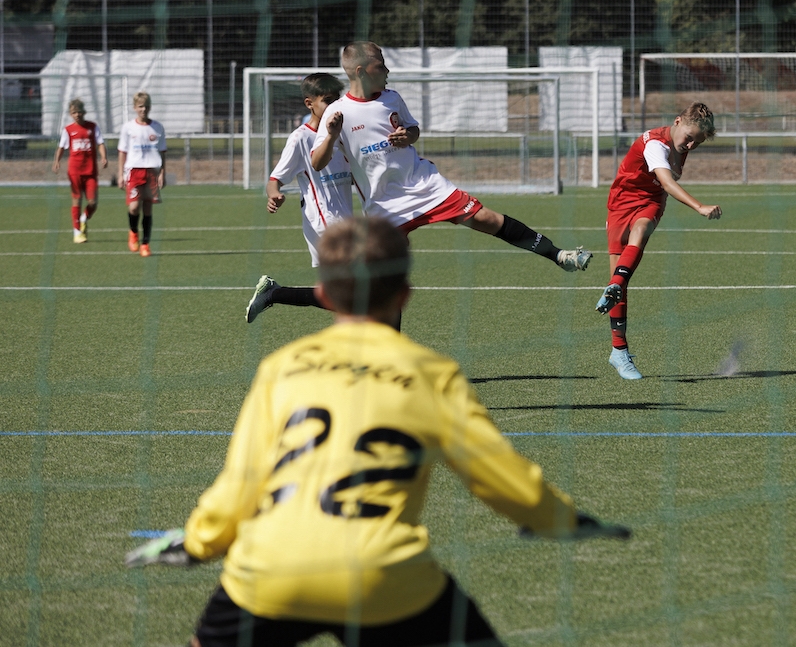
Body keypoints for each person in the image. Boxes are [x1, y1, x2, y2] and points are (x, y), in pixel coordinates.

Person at [126, 216, 629, 647]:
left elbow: (241, 480)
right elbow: (499, 476)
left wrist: (198, 543)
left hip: (270, 572)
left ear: (324, 294)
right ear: (405, 295)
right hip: (382, 578)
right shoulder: (432, 374)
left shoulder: (282, 367)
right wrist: (557, 519)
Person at [309, 41, 592, 272]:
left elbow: (413, 129)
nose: (387, 70)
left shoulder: (391, 98)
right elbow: (317, 163)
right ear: (360, 71)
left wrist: (408, 136)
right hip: (384, 204)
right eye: (380, 65)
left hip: (424, 184)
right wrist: (332, 136)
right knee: (386, 276)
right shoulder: (337, 113)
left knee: (486, 218)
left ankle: (558, 255)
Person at [595, 103, 723, 380]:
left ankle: (616, 285)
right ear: (677, 121)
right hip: (621, 203)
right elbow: (666, 182)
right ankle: (618, 351)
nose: (690, 145)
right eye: (689, 137)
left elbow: (660, 188)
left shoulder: (680, 144)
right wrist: (699, 206)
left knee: (641, 230)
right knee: (619, 279)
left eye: (697, 143)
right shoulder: (655, 144)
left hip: (651, 202)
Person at [245, 73, 353, 324]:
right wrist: (274, 195)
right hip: (323, 221)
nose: (335, 106)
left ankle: (273, 293)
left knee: (344, 298)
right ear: (309, 104)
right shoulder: (301, 138)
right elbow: (275, 180)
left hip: (346, 219)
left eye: (337, 100)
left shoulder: (343, 132)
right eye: (328, 101)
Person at [52, 98, 108, 244]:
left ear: (84, 112)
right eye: (74, 112)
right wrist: (57, 161)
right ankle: (77, 232)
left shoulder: (92, 127)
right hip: (75, 171)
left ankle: (83, 219)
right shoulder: (68, 130)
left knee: (93, 202)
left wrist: (103, 157)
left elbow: (100, 143)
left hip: (90, 171)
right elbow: (61, 147)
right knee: (77, 199)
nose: (77, 115)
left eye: (79, 112)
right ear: (71, 114)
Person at [117, 91, 166, 257]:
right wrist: (120, 174)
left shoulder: (157, 127)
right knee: (134, 207)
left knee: (148, 208)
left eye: (146, 106)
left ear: (150, 107)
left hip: (152, 171)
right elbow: (122, 152)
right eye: (140, 106)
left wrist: (162, 173)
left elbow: (162, 152)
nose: (143, 109)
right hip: (134, 171)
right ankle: (133, 232)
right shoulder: (128, 128)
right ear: (134, 108)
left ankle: (145, 244)